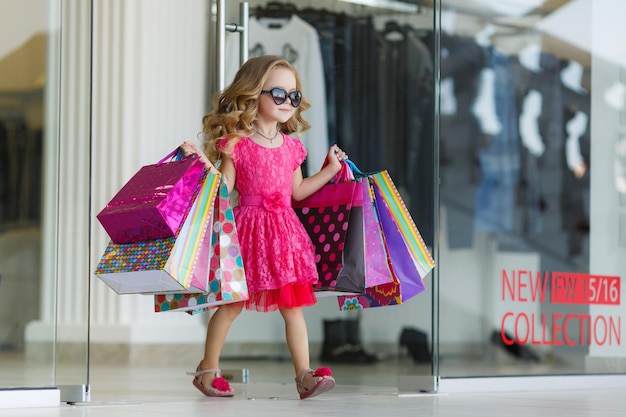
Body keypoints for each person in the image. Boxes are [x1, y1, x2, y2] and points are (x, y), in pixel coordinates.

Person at [180, 55, 347, 400]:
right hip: (246, 235)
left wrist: (330, 171)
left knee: (293, 306)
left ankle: (304, 375)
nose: (288, 102)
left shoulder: (292, 148)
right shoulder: (237, 143)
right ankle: (207, 370)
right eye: (279, 94)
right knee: (230, 305)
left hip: (283, 236)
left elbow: (297, 192)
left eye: (294, 96)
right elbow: (223, 192)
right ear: (254, 94)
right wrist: (199, 163)